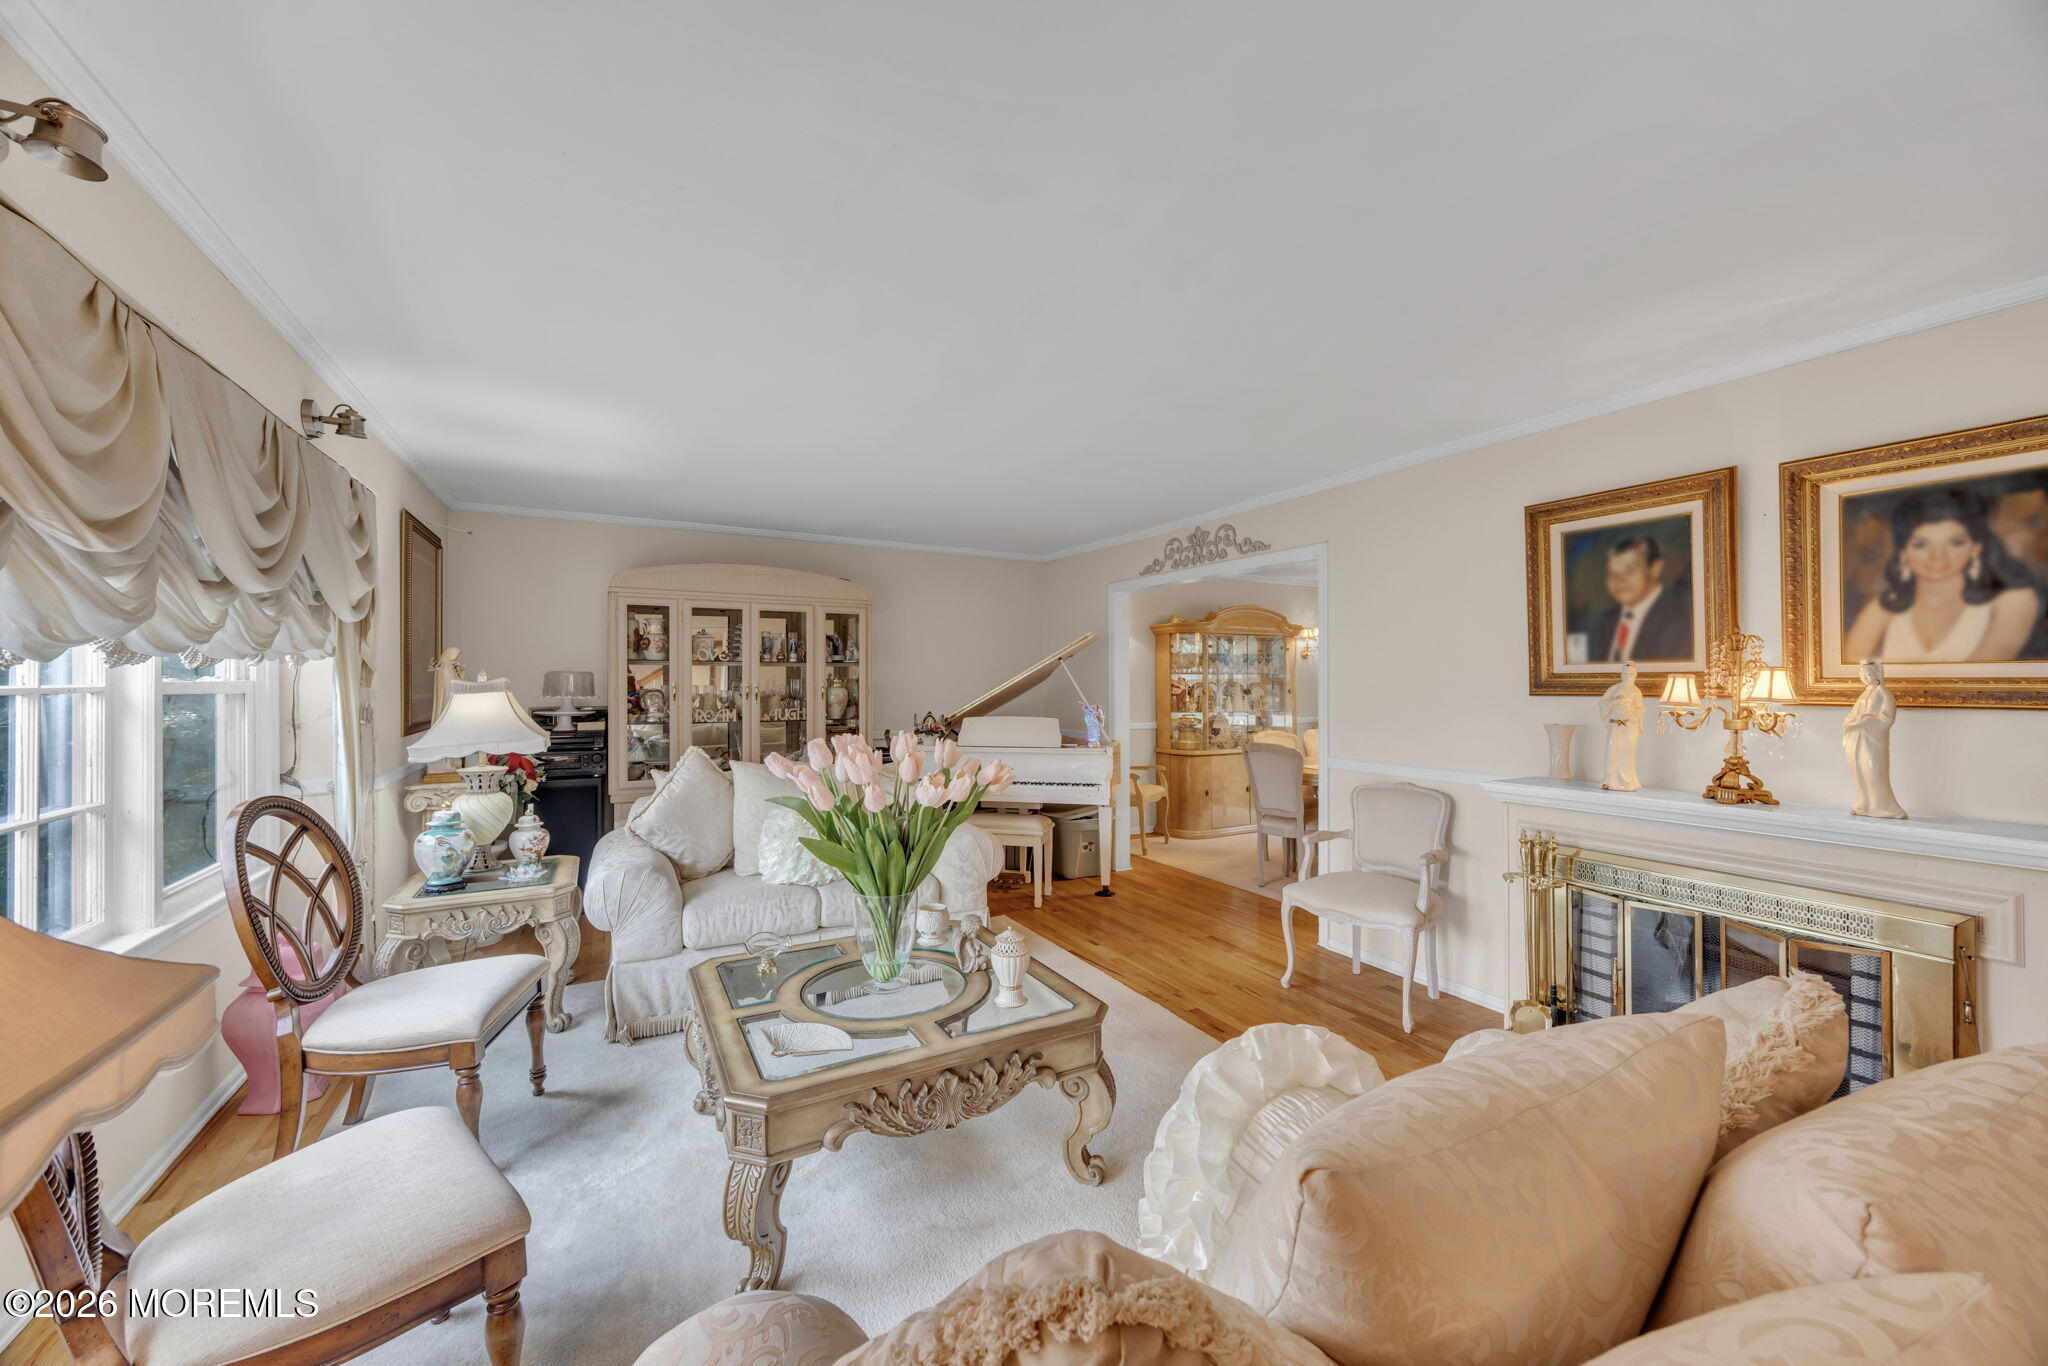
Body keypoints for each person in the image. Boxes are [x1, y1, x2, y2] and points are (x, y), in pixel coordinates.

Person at [1843, 489, 2042, 664]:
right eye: (1921, 544)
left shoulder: (2014, 600)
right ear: (1903, 553)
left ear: (1975, 548)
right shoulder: (1884, 606)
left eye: (1954, 542)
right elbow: (1849, 670)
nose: (1937, 556)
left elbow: (1978, 680)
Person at [1591, 536, 1693, 663]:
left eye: (1629, 571)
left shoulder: (1682, 618)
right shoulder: (1603, 622)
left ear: (1655, 569)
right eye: (1612, 573)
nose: (1618, 580)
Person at [1843, 659, 1906, 819]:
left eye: (1869, 673)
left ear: (1877, 674)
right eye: (1862, 674)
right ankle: (1863, 803)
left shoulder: (1884, 694)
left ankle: (1882, 805)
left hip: (1872, 739)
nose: (1865, 677)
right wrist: (1855, 721)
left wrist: (1867, 721)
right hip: (1857, 738)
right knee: (1858, 770)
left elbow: (1886, 718)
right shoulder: (1863, 695)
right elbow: (1851, 716)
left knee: (1872, 770)